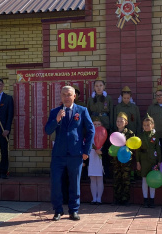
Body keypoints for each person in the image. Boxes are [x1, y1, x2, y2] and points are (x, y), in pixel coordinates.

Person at [45, 86, 95, 221]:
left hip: (75, 154)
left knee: (75, 183)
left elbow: (91, 130)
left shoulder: (82, 110)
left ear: (74, 96)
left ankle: (73, 210)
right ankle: (58, 210)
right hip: (58, 155)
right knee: (56, 183)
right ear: (60, 97)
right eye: (64, 95)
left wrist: (86, 151)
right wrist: (56, 120)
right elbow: (48, 130)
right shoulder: (55, 111)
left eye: (69, 95)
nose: (66, 97)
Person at [87, 77, 113, 179]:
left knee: (105, 149)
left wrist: (111, 126)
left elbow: (111, 113)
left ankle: (106, 173)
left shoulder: (108, 98)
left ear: (104, 87)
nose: (99, 88)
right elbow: (88, 113)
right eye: (96, 86)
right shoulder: (90, 99)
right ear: (94, 87)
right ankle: (92, 173)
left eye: (101, 86)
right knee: (93, 150)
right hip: (94, 126)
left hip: (105, 126)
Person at [136, 115, 161, 208]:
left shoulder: (155, 136)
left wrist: (159, 161)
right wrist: (138, 162)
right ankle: (145, 200)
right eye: (144, 125)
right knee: (145, 180)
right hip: (143, 160)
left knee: (153, 180)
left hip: (153, 160)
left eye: (148, 125)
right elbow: (137, 150)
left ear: (152, 125)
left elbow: (158, 149)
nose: (146, 127)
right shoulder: (140, 136)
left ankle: (152, 200)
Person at [112, 112, 134, 205]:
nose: (119, 123)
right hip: (115, 160)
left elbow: (133, 146)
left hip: (126, 160)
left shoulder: (130, 133)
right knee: (117, 178)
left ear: (126, 122)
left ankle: (125, 199)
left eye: (121, 121)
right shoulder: (113, 133)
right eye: (117, 121)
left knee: (126, 179)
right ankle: (117, 198)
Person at [88, 116, 104, 205]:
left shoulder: (104, 133)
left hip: (99, 158)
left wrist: (102, 151)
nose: (96, 126)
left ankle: (99, 198)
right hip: (91, 157)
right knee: (93, 178)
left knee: (100, 178)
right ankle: (94, 198)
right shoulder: (89, 134)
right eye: (94, 124)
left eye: (98, 124)